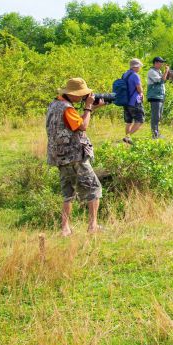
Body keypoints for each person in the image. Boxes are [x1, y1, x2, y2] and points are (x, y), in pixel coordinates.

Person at [46, 78, 106, 236]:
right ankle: (93, 226)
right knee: (94, 189)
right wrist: (88, 107)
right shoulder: (67, 107)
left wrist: (92, 109)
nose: (83, 97)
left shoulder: (55, 104)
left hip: (59, 156)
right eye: (81, 94)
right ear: (72, 94)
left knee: (68, 193)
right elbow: (82, 126)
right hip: (74, 155)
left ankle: (65, 229)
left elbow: (72, 122)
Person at [146, 56, 171, 139]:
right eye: (161, 62)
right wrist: (167, 71)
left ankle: (156, 133)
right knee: (155, 116)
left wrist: (167, 72)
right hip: (155, 96)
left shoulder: (158, 71)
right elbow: (161, 80)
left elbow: (163, 80)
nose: (162, 64)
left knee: (159, 116)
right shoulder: (151, 71)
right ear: (156, 63)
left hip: (160, 96)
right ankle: (154, 135)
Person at [122, 58, 144, 144]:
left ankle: (128, 139)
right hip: (134, 102)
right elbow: (139, 88)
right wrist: (142, 93)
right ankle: (127, 137)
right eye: (139, 66)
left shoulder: (125, 74)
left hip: (126, 101)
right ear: (135, 66)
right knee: (140, 120)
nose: (139, 68)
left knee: (128, 121)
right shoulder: (135, 75)